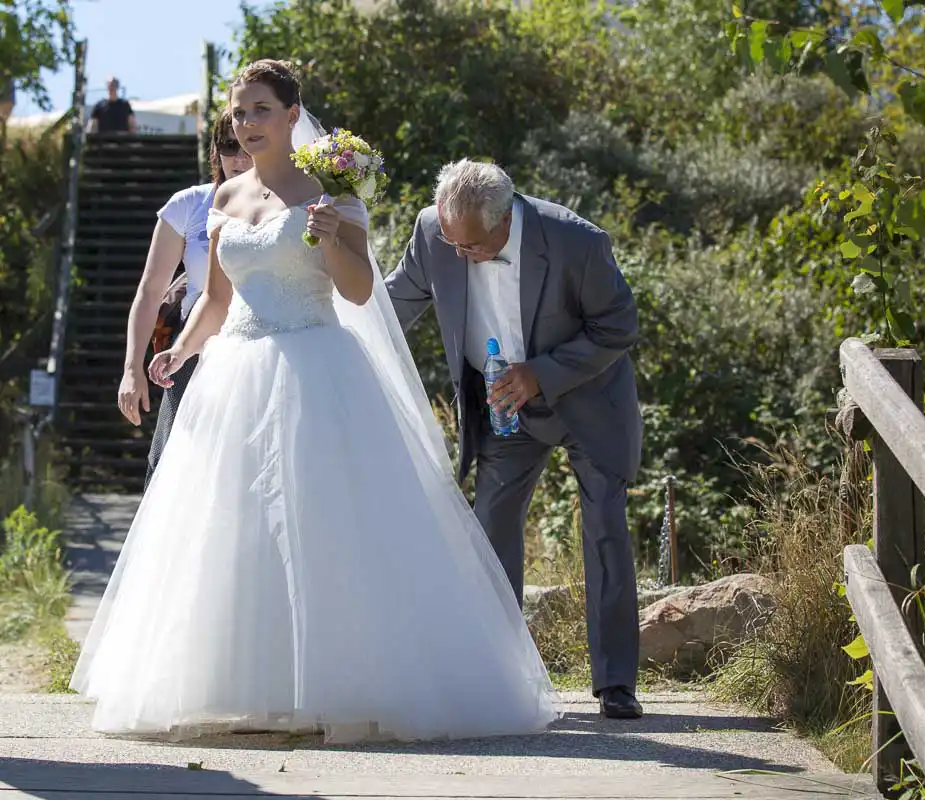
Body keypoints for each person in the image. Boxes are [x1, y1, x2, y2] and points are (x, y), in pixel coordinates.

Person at [69, 59, 560, 743]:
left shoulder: (333, 192)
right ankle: (242, 684)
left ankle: (339, 683)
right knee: (231, 528)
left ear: (293, 114)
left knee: (324, 525)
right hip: (235, 370)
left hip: (315, 365)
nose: (247, 124)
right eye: (239, 113)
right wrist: (179, 351)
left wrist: (332, 239)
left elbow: (359, 293)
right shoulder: (224, 201)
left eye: (261, 110)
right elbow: (215, 300)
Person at [384, 160, 645, 720]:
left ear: (505, 219)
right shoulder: (435, 233)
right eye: (451, 243)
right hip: (504, 409)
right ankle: (501, 677)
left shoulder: (577, 241)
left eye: (471, 247)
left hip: (587, 400)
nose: (459, 256)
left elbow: (619, 324)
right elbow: (391, 306)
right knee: (490, 527)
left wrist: (541, 373)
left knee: (603, 528)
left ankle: (616, 683)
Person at [117, 109, 252, 487]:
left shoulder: (280, 205)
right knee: (171, 468)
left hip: (261, 345)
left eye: (246, 147)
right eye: (229, 146)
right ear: (215, 151)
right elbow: (149, 291)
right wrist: (132, 368)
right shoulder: (188, 205)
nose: (238, 159)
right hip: (196, 348)